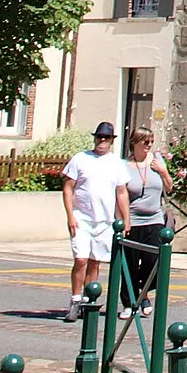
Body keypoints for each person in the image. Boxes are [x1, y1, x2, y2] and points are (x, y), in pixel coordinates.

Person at [62, 122, 131, 322]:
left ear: (111, 141)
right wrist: (70, 216)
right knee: (81, 259)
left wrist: (126, 219)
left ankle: (88, 300)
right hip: (82, 218)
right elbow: (68, 188)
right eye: (99, 137)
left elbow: (121, 192)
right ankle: (75, 299)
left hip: (105, 220)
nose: (102, 141)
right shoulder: (80, 159)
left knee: (94, 261)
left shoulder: (116, 163)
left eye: (106, 138)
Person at [122, 126, 174, 315]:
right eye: (145, 142)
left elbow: (169, 188)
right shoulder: (124, 165)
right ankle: (129, 303)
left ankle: (143, 294)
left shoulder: (157, 161)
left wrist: (163, 171)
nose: (149, 145)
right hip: (133, 220)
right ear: (135, 142)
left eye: (151, 141)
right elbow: (122, 195)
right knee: (130, 262)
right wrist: (124, 220)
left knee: (153, 260)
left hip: (155, 219)